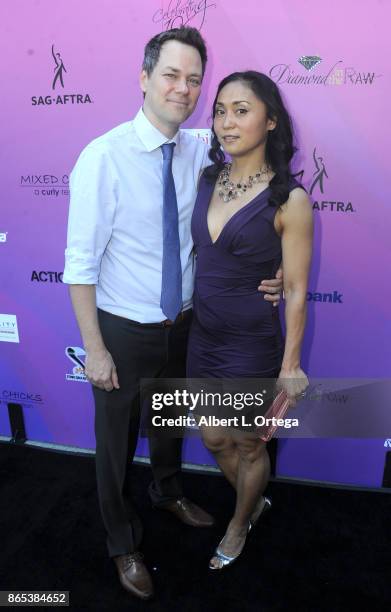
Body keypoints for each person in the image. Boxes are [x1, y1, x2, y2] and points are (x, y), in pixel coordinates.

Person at [62, 28, 283, 600]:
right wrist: (96, 347)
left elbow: (245, 220)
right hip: (121, 328)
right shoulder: (102, 157)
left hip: (187, 324)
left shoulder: (204, 153)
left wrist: (278, 273)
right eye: (171, 75)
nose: (183, 89)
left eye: (193, 79)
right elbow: (80, 262)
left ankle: (167, 491)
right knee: (114, 445)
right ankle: (121, 542)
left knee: (167, 423)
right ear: (144, 77)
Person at [187, 71, 313, 569]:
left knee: (249, 445)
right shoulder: (206, 178)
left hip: (252, 347)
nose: (226, 121)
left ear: (271, 120)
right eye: (220, 110)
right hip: (204, 338)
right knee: (214, 437)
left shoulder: (291, 200)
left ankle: (239, 523)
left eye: (241, 110)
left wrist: (291, 365)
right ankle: (253, 500)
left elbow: (299, 289)